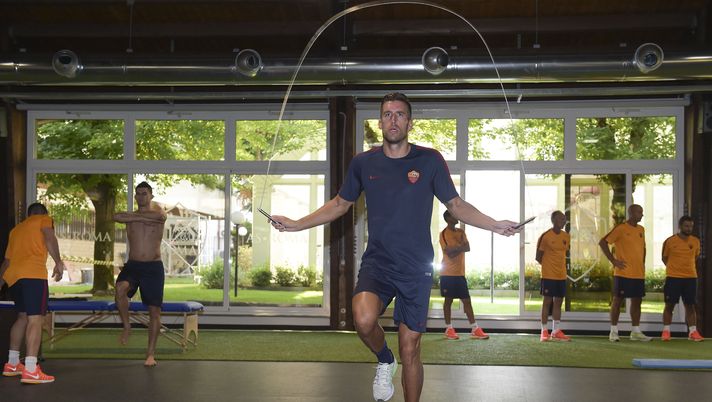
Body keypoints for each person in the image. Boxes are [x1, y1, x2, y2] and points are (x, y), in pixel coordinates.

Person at [269, 93, 520, 402]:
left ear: (409, 123)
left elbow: (456, 205)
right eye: (388, 114)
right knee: (363, 319)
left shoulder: (430, 160)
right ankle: (385, 360)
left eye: (400, 114)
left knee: (410, 348)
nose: (393, 119)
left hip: (416, 269)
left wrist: (494, 224)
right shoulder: (364, 163)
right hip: (379, 262)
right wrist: (296, 224)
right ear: (380, 122)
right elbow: (340, 204)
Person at [0, 202, 65, 384]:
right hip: (33, 276)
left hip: (14, 279)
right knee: (35, 319)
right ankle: (30, 369)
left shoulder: (16, 230)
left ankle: (12, 364)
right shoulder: (44, 220)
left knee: (22, 318)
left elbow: (7, 262)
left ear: (28, 215)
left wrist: (0, 283)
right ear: (43, 213)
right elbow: (49, 237)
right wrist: (58, 262)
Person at [113, 181, 167, 367]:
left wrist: (134, 217)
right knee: (120, 289)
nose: (141, 196)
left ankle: (150, 354)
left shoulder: (157, 213)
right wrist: (137, 217)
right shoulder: (131, 216)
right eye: (138, 193)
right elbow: (115, 216)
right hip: (133, 265)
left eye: (145, 193)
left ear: (151, 196)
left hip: (153, 267)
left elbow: (161, 217)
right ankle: (127, 327)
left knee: (154, 312)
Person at [599, 204, 652, 342]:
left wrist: (642, 263)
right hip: (623, 273)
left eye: (642, 212)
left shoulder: (641, 229)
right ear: (631, 213)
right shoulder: (621, 228)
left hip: (638, 273)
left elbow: (643, 248)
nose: (642, 215)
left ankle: (635, 332)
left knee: (637, 302)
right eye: (639, 212)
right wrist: (613, 261)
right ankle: (613, 331)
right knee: (617, 301)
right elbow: (603, 242)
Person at [439, 210, 489, 341]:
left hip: (460, 274)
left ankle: (475, 328)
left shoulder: (461, 232)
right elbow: (449, 253)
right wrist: (460, 246)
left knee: (467, 301)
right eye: (453, 215)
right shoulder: (443, 234)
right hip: (447, 273)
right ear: (448, 218)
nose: (456, 216)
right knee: (448, 301)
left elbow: (468, 248)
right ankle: (449, 329)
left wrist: (457, 248)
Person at [660, 215, 703, 341]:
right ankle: (666, 331)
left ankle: (693, 332)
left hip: (691, 278)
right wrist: (675, 268)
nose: (689, 229)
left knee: (690, 305)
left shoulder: (696, 241)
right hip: (673, 278)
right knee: (670, 305)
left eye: (691, 226)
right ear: (680, 226)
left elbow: (695, 257)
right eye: (686, 226)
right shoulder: (670, 241)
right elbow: (664, 258)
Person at [535, 210, 571, 342]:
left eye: (564, 219)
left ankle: (556, 331)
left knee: (558, 303)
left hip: (561, 275)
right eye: (561, 219)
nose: (564, 221)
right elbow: (538, 257)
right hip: (548, 275)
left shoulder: (566, 236)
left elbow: (563, 254)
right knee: (547, 302)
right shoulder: (545, 236)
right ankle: (544, 331)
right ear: (554, 220)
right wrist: (548, 267)